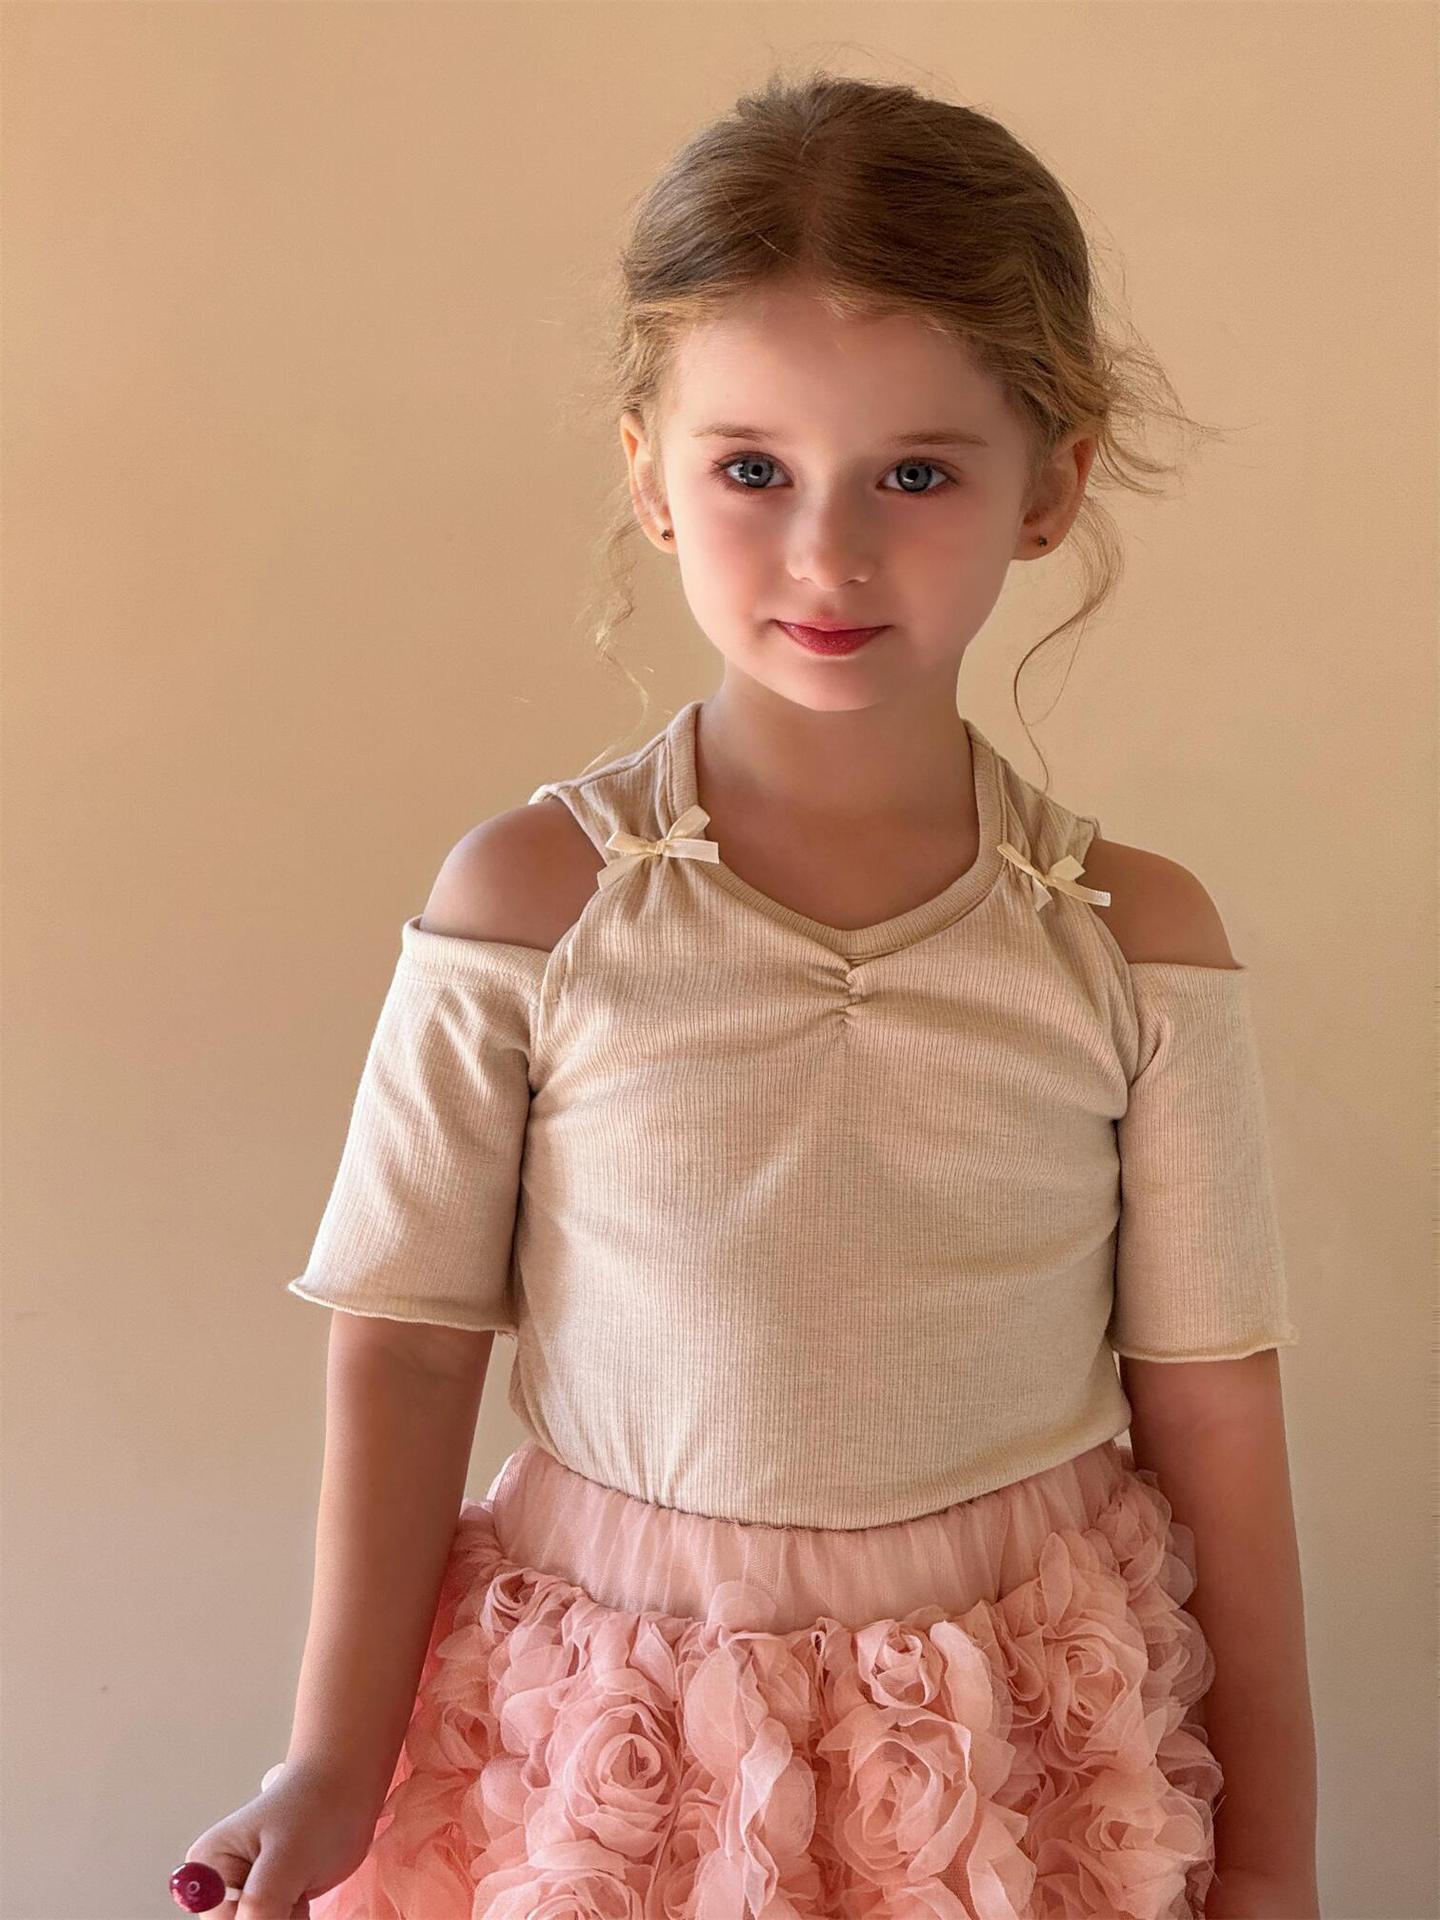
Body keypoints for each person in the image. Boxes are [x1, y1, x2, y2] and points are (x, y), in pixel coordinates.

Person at [178, 70, 1319, 1920]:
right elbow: (405, 1347)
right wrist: (326, 1762)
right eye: (753, 470)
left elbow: (1217, 1413)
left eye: (917, 474)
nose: (829, 555)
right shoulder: (531, 909)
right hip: (618, 1729)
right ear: (650, 475)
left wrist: (1268, 1858)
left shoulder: (1133, 945)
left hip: (1016, 1746)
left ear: (1053, 485)